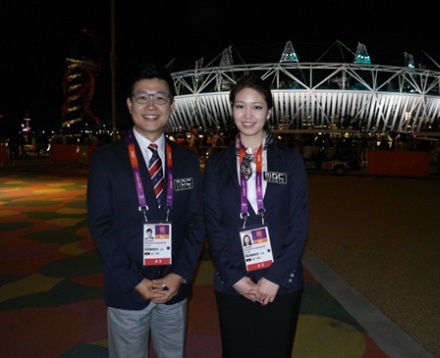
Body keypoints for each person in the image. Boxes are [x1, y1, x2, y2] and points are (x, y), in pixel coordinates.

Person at [87, 63, 205, 358]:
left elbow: (196, 222)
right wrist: (135, 281)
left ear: (171, 105)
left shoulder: (187, 160)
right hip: (128, 289)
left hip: (173, 289)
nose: (151, 105)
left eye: (160, 97)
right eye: (142, 97)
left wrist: (179, 275)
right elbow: (101, 227)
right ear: (130, 104)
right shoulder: (106, 161)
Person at [203, 73, 309, 357]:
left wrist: (274, 277)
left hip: (281, 282)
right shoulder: (217, 164)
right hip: (232, 281)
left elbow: (299, 223)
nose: (248, 115)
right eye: (240, 106)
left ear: (269, 111)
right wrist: (235, 278)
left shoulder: (290, 160)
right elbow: (213, 225)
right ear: (231, 110)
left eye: (257, 106)